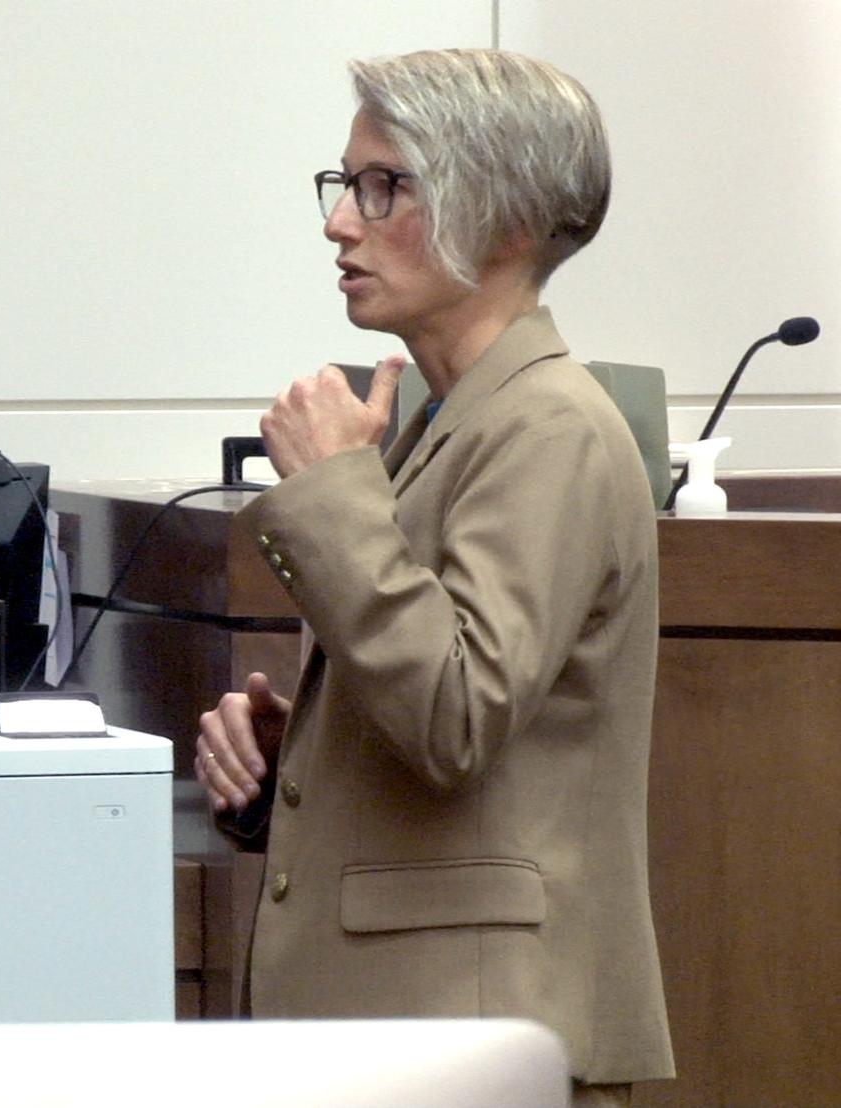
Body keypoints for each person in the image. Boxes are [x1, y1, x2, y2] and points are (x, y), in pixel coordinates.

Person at [195, 48, 674, 1105]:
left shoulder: (551, 425)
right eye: (346, 184)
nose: (340, 222)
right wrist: (293, 766)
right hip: (410, 1028)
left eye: (385, 186)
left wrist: (328, 490)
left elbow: (456, 713)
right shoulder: (450, 428)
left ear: (503, 221)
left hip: (481, 1039)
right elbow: (431, 713)